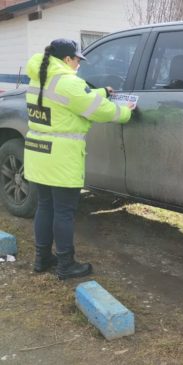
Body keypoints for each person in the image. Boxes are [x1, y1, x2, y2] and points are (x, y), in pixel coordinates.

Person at [24, 39, 133, 280]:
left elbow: (69, 98)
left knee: (45, 206)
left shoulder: (39, 78)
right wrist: (125, 112)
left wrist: (101, 92)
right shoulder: (68, 82)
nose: (78, 65)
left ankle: (42, 259)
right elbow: (100, 110)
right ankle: (66, 265)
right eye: (76, 60)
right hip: (61, 158)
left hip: (38, 151)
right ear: (66, 59)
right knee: (64, 212)